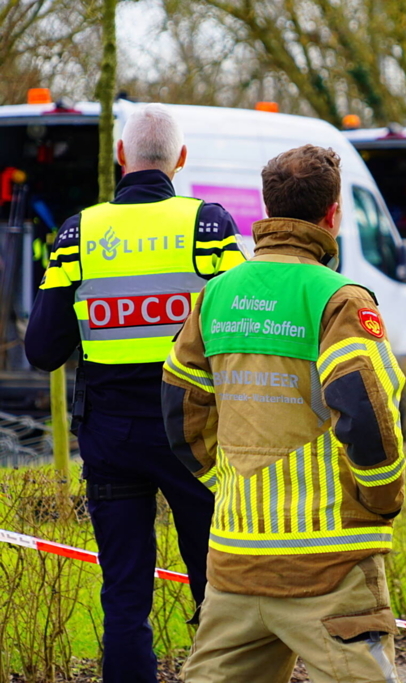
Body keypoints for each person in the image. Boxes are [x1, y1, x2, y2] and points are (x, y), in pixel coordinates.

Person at [162, 145, 405, 683]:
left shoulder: (215, 296)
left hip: (234, 559)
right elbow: (366, 417)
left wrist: (227, 485)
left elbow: (181, 414)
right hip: (329, 564)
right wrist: (382, 502)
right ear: (333, 214)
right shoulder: (340, 300)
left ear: (267, 207)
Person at [24, 103, 243, 683]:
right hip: (196, 438)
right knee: (217, 592)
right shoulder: (209, 227)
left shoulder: (78, 233)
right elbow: (241, 334)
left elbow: (43, 350)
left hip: (111, 437)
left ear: (121, 157)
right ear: (181, 160)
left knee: (124, 596)